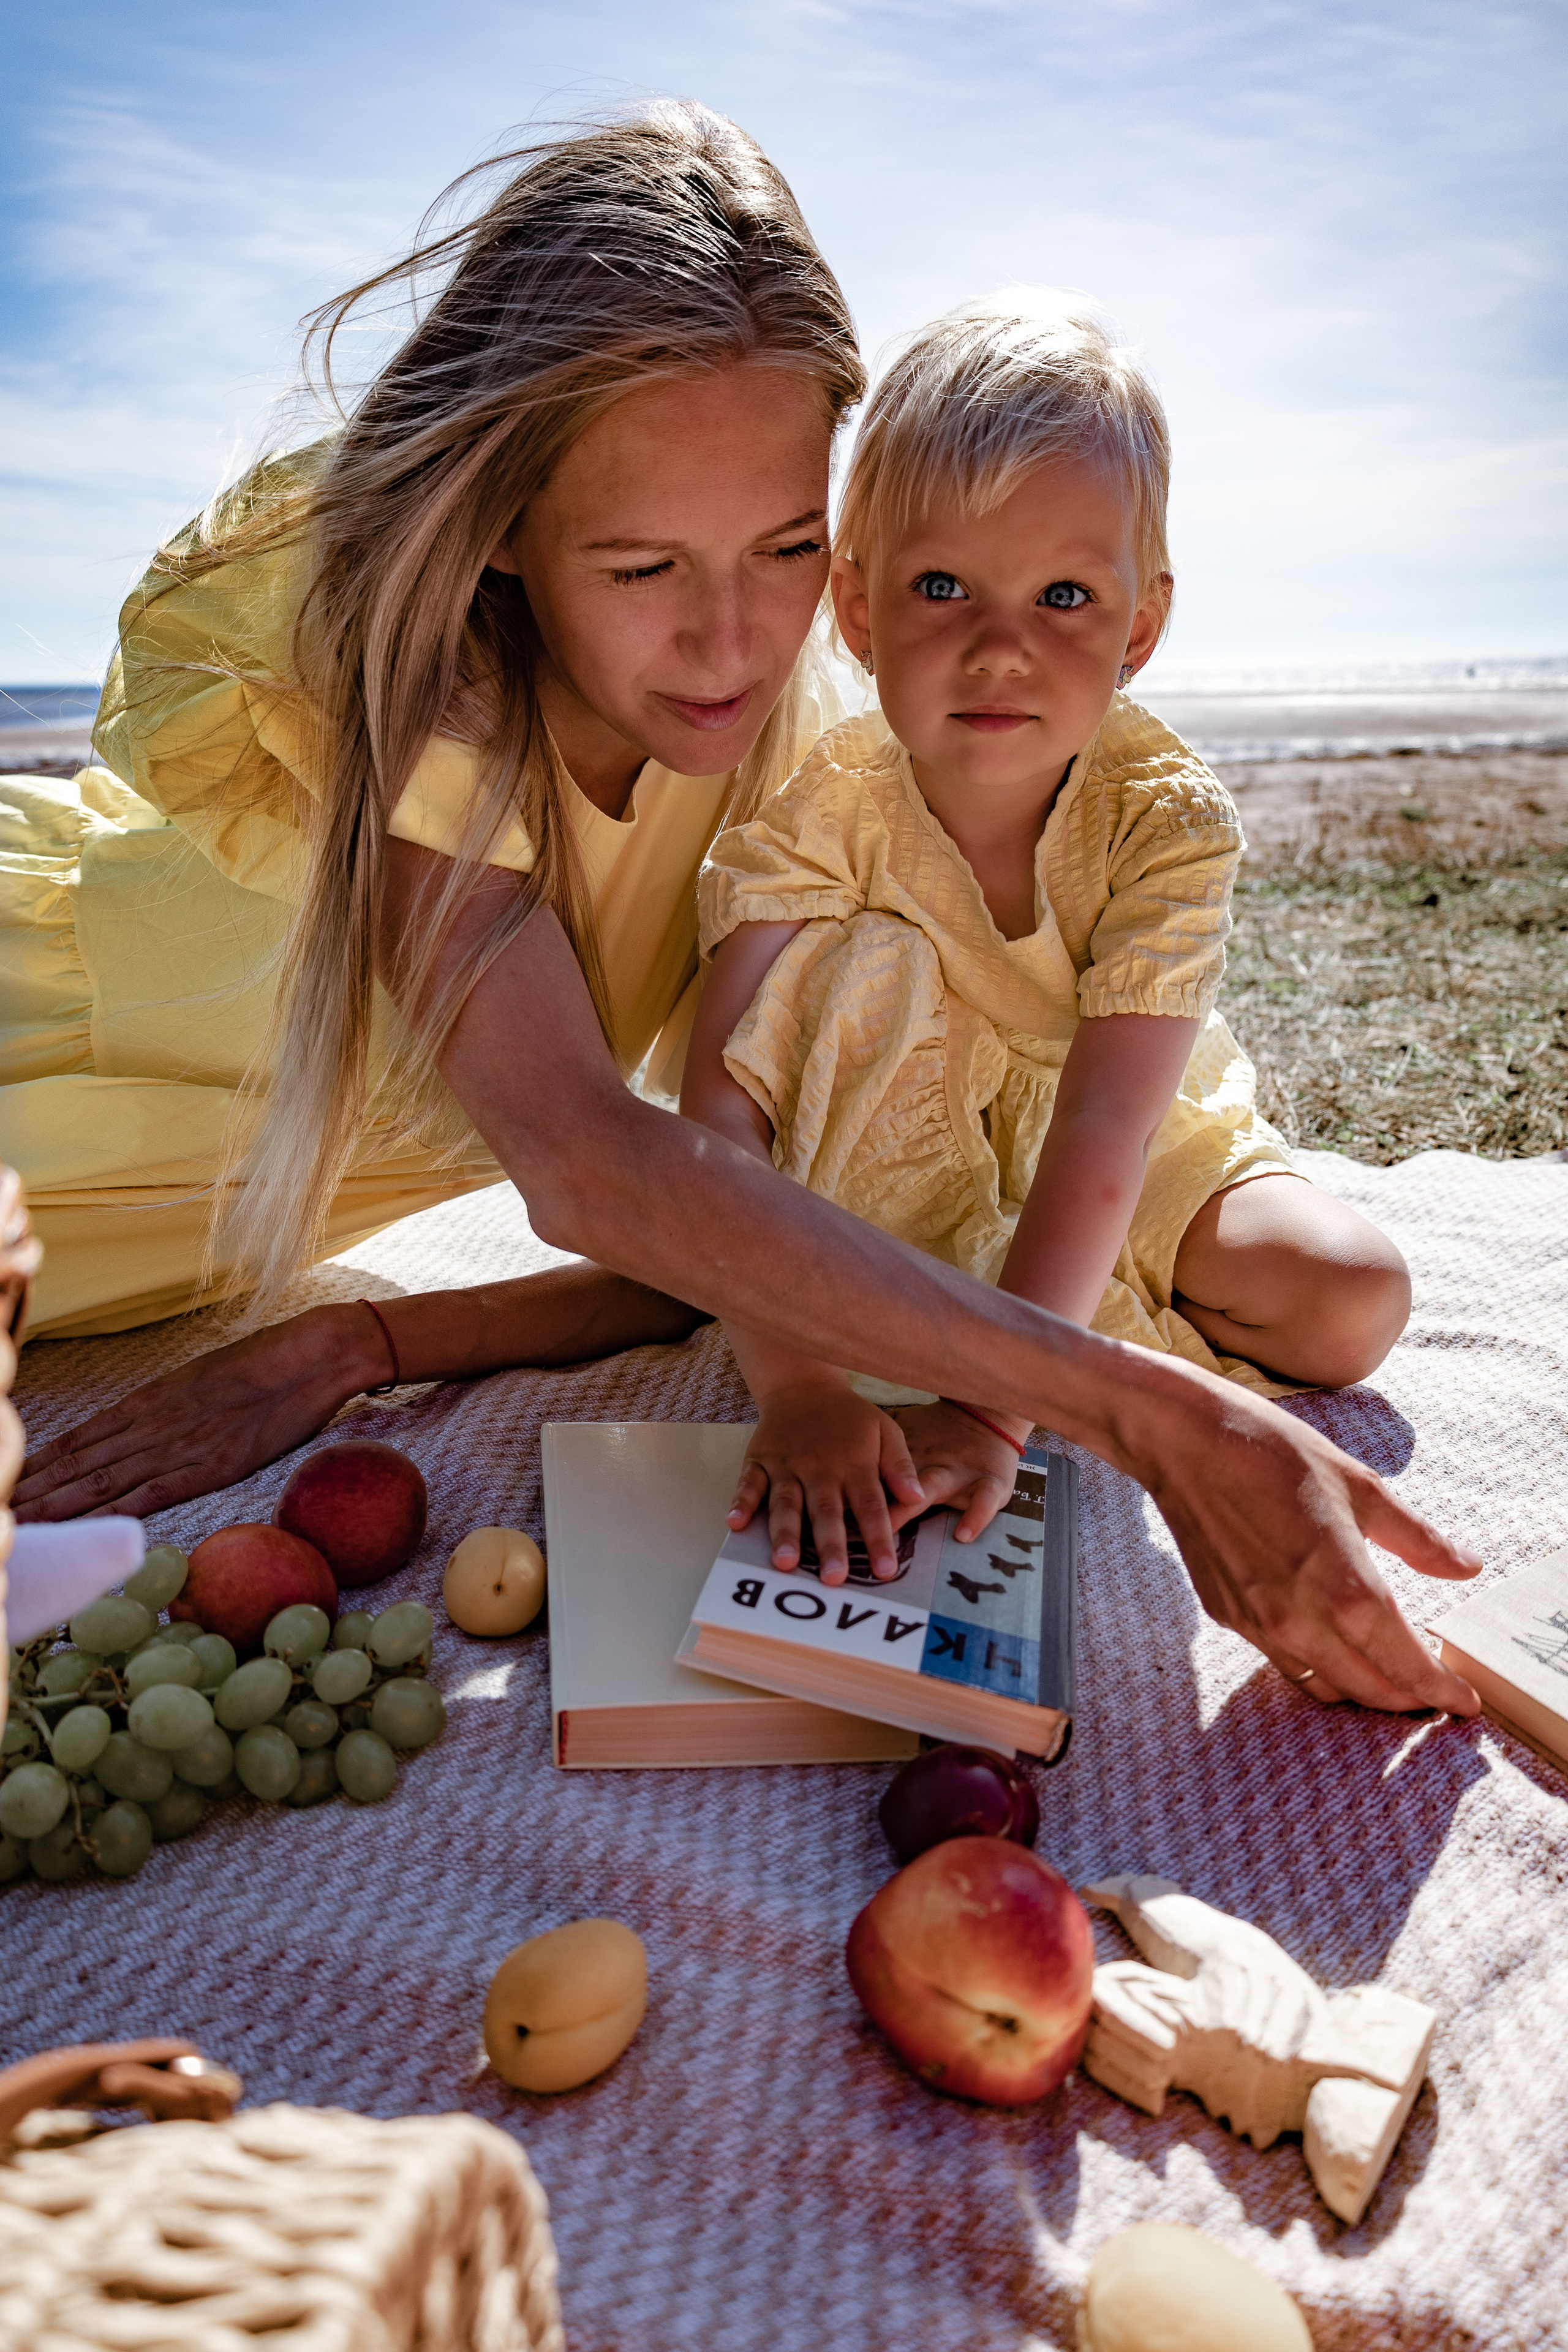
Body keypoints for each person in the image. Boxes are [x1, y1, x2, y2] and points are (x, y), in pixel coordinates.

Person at [6, 105, 1480, 1717]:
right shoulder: (438, 702)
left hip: (121, 1266)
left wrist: (360, 1345)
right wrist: (1143, 1413)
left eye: (787, 548)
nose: (731, 642)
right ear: (505, 531)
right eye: (643, 568)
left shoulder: (769, 768)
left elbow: (716, 1204)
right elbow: (589, 1163)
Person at [681, 296, 1414, 1581]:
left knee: (1350, 1299)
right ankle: (952, 1305)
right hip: (884, 1153)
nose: (1000, 648)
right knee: (857, 1001)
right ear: (857, 611)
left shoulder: (1162, 822)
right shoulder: (817, 811)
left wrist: (989, 1414)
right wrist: (795, 1384)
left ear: (1136, 630)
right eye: (942, 586)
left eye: (1062, 594)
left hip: (1104, 1143)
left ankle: (1036, 1320)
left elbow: (1105, 1131)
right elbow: (719, 1111)